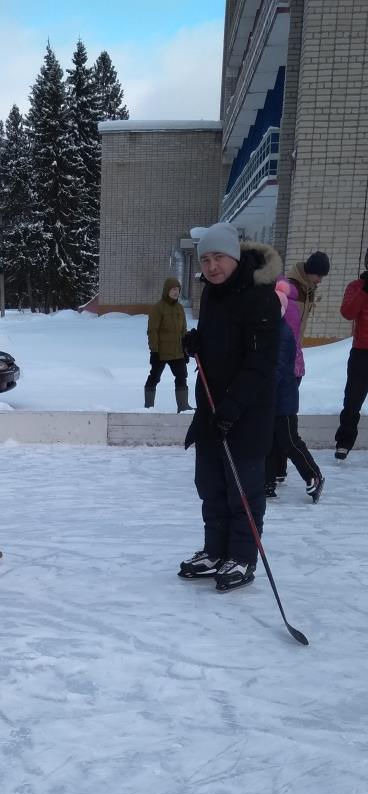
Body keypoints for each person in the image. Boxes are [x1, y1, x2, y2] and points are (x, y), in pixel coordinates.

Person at [178, 222, 281, 592]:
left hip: (247, 412)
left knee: (242, 489)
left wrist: (233, 408)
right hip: (212, 406)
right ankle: (216, 550)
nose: (211, 266)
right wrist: (196, 342)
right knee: (210, 484)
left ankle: (241, 556)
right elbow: (218, 342)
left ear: (235, 257)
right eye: (205, 259)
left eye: (218, 257)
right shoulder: (211, 294)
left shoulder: (260, 297)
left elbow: (262, 362)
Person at [265, 287, 324, 502]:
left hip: (283, 401)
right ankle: (267, 481)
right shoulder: (270, 331)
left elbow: (277, 370)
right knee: (269, 441)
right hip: (272, 400)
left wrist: (261, 389)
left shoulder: (281, 333)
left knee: (289, 440)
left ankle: (314, 475)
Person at [334, 248, 368, 461]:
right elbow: (347, 312)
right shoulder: (356, 286)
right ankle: (344, 443)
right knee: (353, 400)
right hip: (361, 353)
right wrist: (365, 290)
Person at [144, 277, 192, 412]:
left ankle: (183, 407)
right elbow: (152, 331)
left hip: (177, 352)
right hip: (161, 352)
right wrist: (154, 351)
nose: (176, 292)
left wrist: (185, 350)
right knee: (154, 377)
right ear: (167, 290)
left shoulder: (180, 308)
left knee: (182, 376)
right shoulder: (157, 308)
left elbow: (183, 330)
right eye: (173, 289)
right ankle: (148, 407)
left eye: (178, 289)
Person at [286, 250, 330, 343]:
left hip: (296, 344)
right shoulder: (289, 287)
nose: (320, 280)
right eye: (319, 276)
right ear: (310, 270)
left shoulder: (309, 290)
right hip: (282, 346)